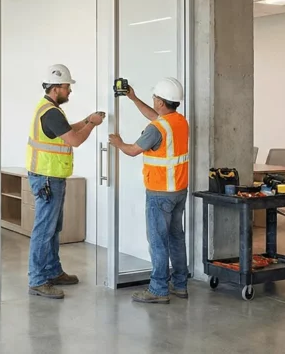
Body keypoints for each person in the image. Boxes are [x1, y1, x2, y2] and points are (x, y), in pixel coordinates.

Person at [26, 64, 104, 299]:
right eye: (67, 87)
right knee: (44, 230)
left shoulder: (50, 109)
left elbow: (67, 130)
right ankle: (38, 280)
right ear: (56, 88)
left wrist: (86, 119)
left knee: (53, 228)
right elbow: (74, 140)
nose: (70, 91)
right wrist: (92, 124)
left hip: (51, 177)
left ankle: (52, 271)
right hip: (47, 178)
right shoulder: (50, 112)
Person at [108, 77, 188, 305]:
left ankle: (158, 289)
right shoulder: (179, 121)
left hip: (160, 192)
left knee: (158, 241)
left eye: (154, 97)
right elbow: (156, 118)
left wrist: (118, 142)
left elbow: (133, 150)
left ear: (161, 102)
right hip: (178, 190)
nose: (153, 100)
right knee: (176, 238)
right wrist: (133, 98)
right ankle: (180, 285)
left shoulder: (156, 129)